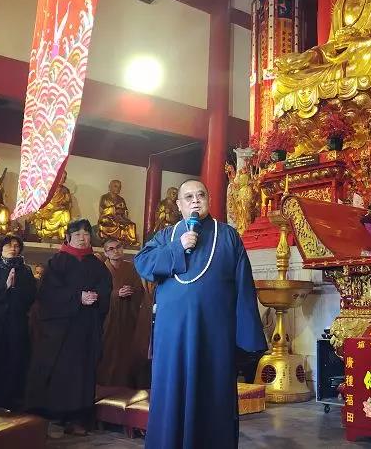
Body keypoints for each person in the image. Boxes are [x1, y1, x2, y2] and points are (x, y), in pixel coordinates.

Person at [135, 179, 267, 448]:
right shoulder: (167, 236)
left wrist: (247, 342)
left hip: (213, 335)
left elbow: (244, 287)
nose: (195, 201)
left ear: (208, 199)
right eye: (188, 197)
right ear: (179, 205)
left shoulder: (228, 236)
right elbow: (143, 263)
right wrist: (177, 248)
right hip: (172, 338)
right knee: (170, 393)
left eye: (201, 195)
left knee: (213, 395)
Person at [25, 219, 112, 436]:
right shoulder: (58, 262)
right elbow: (48, 294)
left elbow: (105, 287)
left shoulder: (96, 264)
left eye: (85, 234)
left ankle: (77, 418)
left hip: (86, 328)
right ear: (68, 238)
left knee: (83, 374)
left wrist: (97, 296)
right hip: (60, 331)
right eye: (78, 235)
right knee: (59, 372)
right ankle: (51, 416)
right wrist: (77, 298)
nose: (82, 239)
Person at [0, 234, 37, 409]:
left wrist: (15, 289)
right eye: (8, 245)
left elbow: (31, 295)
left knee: (14, 360)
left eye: (16, 245)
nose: (13, 248)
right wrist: (4, 287)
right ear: (0, 248)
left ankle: (10, 400)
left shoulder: (25, 270)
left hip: (16, 321)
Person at [96, 239, 143, 387]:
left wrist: (132, 292)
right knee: (108, 351)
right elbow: (98, 294)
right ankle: (105, 383)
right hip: (108, 319)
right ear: (106, 253)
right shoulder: (101, 270)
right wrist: (116, 294)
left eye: (118, 247)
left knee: (126, 351)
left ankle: (124, 384)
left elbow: (140, 291)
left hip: (128, 316)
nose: (115, 251)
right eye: (111, 249)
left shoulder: (131, 268)